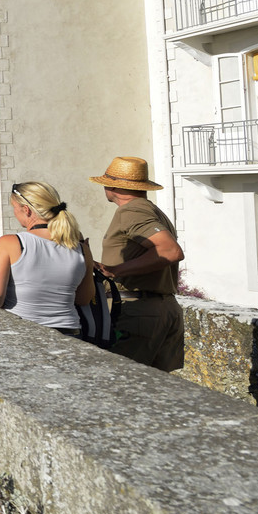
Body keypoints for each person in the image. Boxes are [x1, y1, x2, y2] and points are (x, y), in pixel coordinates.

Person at [92, 157, 186, 371]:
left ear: (112, 186)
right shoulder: (151, 210)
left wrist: (115, 270)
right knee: (157, 391)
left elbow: (170, 250)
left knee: (123, 386)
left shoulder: (131, 211)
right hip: (165, 308)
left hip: (138, 312)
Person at [0, 181, 94, 337]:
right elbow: (84, 299)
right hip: (70, 334)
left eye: (15, 208)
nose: (14, 213)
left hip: (23, 332)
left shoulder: (10, 243)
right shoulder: (82, 249)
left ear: (26, 210)